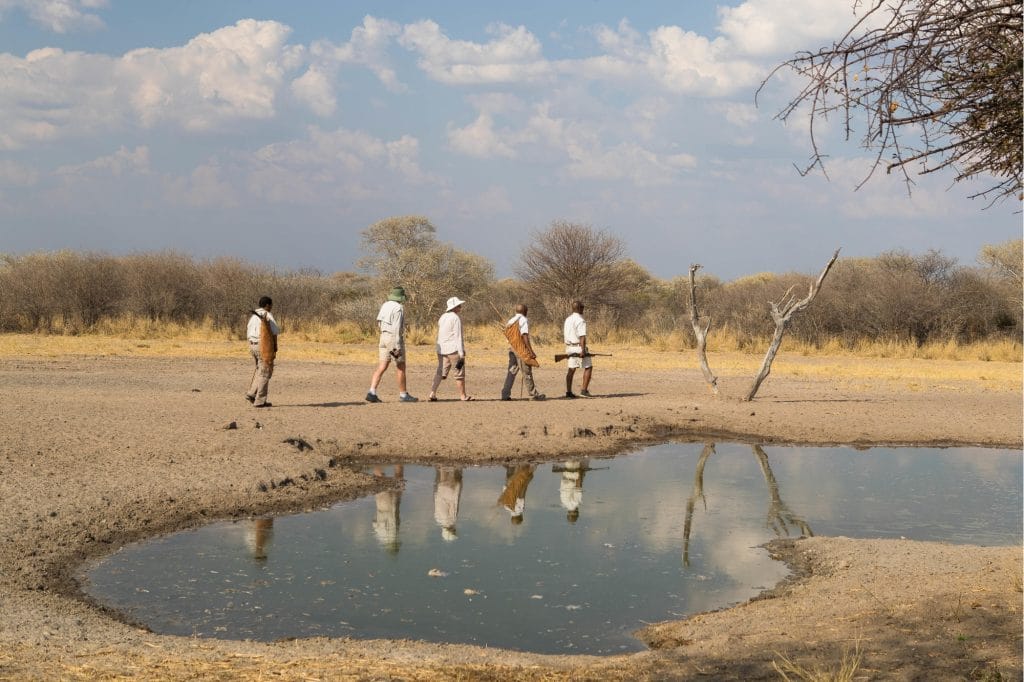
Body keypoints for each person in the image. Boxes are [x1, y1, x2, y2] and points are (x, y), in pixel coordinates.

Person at [367, 287, 418, 403]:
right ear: (401, 297)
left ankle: (372, 392)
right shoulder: (399, 308)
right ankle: (403, 394)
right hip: (393, 339)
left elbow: (378, 321)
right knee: (401, 366)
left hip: (383, 337)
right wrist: (397, 346)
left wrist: (384, 333)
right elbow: (396, 327)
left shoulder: (385, 305)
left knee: (382, 366)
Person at [428, 297, 472, 401]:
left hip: (441, 349)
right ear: (454, 307)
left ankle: (432, 393)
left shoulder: (442, 317)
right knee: (459, 372)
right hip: (453, 349)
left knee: (440, 371)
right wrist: (461, 353)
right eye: (459, 306)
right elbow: (458, 336)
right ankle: (463, 396)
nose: (460, 307)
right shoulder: (455, 318)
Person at [500, 304, 545, 401]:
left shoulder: (511, 321)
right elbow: (524, 336)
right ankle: (534, 394)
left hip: (512, 348)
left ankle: (505, 394)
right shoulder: (523, 320)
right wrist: (530, 351)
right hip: (520, 349)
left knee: (512, 371)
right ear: (525, 311)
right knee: (527, 371)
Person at [245, 296, 280, 408]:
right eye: (271, 305)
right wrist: (275, 347)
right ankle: (260, 400)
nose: (271, 307)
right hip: (263, 346)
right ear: (267, 305)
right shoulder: (267, 315)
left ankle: (251, 393)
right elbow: (274, 333)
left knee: (260, 370)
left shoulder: (253, 317)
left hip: (252, 345)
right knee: (265, 372)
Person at [563, 300, 593, 398]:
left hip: (569, 347)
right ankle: (584, 390)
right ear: (580, 308)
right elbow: (582, 336)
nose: (583, 309)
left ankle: (568, 392)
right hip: (578, 347)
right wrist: (583, 350)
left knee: (571, 369)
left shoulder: (568, 319)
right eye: (582, 307)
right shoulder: (580, 320)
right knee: (588, 367)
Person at [372, 465, 404, 554]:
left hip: (386, 505)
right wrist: (395, 499)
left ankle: (379, 460)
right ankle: (397, 461)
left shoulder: (387, 536)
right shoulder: (383, 535)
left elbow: (394, 517)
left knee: (383, 478)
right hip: (382, 505)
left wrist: (396, 499)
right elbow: (374, 523)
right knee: (396, 477)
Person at [433, 466, 463, 541]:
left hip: (450, 492)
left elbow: (454, 504)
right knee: (443, 470)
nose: (455, 530)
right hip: (440, 490)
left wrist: (458, 488)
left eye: (454, 531)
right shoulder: (437, 519)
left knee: (452, 468)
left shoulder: (452, 520)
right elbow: (436, 502)